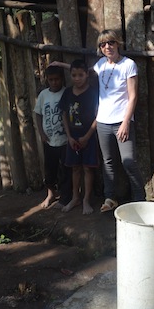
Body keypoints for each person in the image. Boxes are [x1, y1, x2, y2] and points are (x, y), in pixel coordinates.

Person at [94, 29, 145, 213]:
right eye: (103, 44)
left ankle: (140, 198)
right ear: (100, 48)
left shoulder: (128, 65)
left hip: (121, 121)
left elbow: (133, 97)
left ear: (117, 44)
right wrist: (61, 64)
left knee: (128, 161)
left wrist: (125, 123)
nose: (107, 47)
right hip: (103, 122)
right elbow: (81, 73)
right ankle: (110, 198)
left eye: (110, 43)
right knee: (108, 161)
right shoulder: (100, 64)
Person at [57, 59, 99, 215]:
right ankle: (75, 198)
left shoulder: (93, 93)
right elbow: (64, 115)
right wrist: (69, 136)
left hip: (89, 136)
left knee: (88, 168)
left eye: (80, 75)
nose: (77, 78)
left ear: (87, 75)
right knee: (75, 168)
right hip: (72, 137)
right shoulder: (67, 92)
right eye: (74, 75)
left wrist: (87, 136)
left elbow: (98, 116)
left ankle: (86, 200)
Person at [34, 66, 71, 209]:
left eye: (57, 79)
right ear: (47, 80)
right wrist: (42, 133)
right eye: (51, 80)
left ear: (62, 79)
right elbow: (38, 113)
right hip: (49, 141)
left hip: (65, 141)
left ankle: (66, 197)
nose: (54, 82)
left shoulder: (67, 93)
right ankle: (51, 193)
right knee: (50, 169)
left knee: (66, 170)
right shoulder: (44, 95)